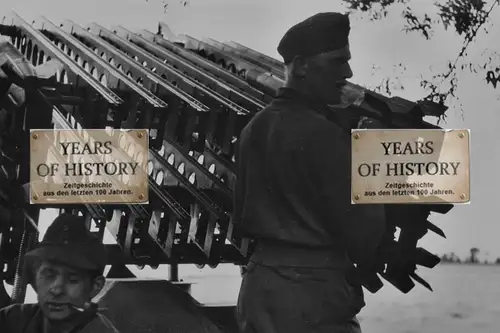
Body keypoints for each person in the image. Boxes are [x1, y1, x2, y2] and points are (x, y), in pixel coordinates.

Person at [233, 12, 388, 333]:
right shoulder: (327, 136)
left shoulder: (253, 129)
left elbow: (241, 214)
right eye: (337, 61)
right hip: (314, 293)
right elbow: (364, 234)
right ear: (302, 66)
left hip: (259, 287)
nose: (347, 72)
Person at [0, 213, 119, 332]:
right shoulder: (12, 319)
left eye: (72, 280)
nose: (56, 290)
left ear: (96, 286)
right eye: (48, 275)